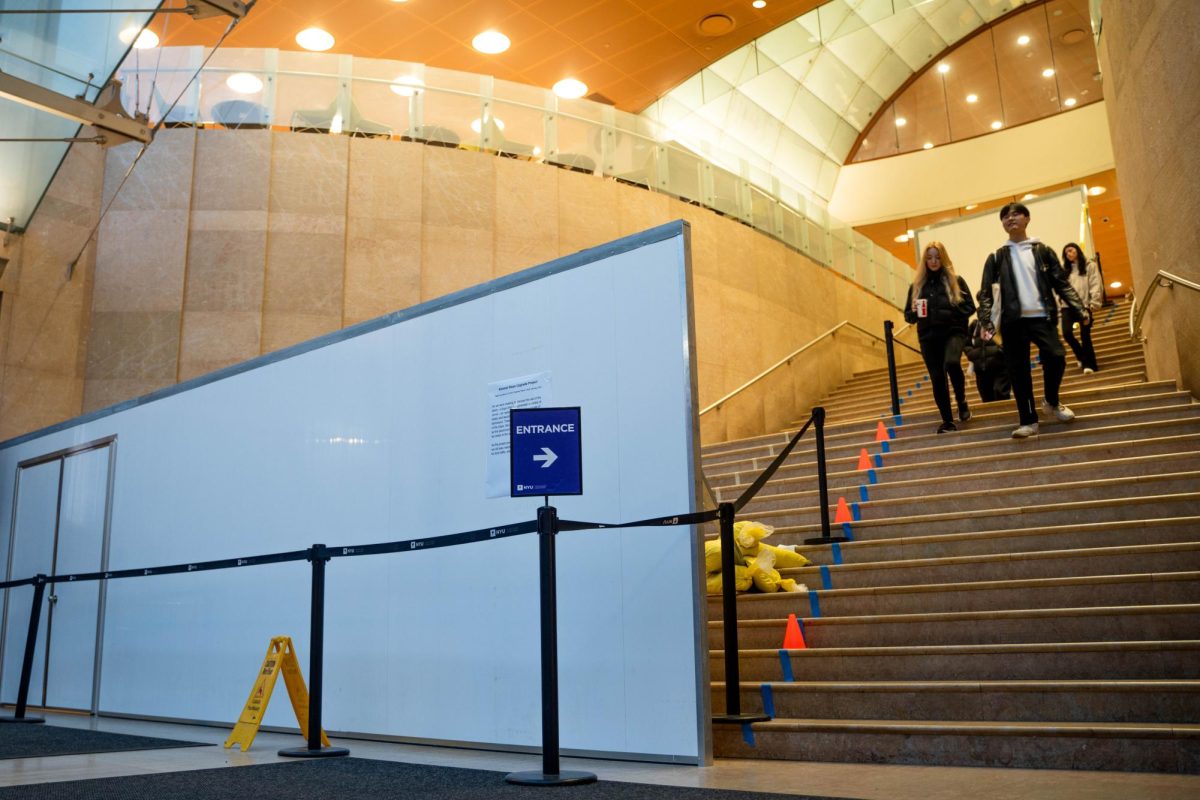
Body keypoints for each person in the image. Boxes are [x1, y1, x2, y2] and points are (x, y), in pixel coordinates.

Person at [976, 202, 1088, 439]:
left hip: (1042, 316)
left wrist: (1079, 309)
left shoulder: (1043, 251)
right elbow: (985, 293)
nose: (1010, 218)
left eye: (1015, 214)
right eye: (1005, 216)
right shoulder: (997, 257)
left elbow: (1061, 283)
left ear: (1027, 219)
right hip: (1012, 321)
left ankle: (1052, 401)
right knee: (1018, 372)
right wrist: (986, 322)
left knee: (1056, 356)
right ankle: (1028, 421)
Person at [904, 241, 975, 434]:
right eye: (929, 258)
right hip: (928, 336)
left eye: (937, 257)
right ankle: (947, 421)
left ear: (943, 258)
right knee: (937, 377)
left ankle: (961, 401)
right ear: (924, 261)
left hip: (953, 332)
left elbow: (970, 307)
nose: (934, 261)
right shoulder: (917, 286)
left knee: (952, 363)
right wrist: (915, 311)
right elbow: (908, 317)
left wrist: (951, 311)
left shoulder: (956, 281)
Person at [1059, 242, 1103, 373]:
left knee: (1085, 335)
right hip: (1067, 306)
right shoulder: (1064, 271)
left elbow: (1095, 283)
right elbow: (1060, 289)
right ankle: (1081, 356)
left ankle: (1089, 365)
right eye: (1066, 253)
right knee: (1066, 333)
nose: (1069, 254)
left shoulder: (1090, 266)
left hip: (1084, 305)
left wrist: (1094, 302)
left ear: (1077, 250)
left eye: (1071, 250)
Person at [964, 319, 1011, 402]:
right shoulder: (975, 324)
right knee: (986, 398)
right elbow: (966, 343)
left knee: (1001, 393)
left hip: (1000, 366)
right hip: (981, 369)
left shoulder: (999, 319)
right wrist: (972, 354)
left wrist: (1000, 351)